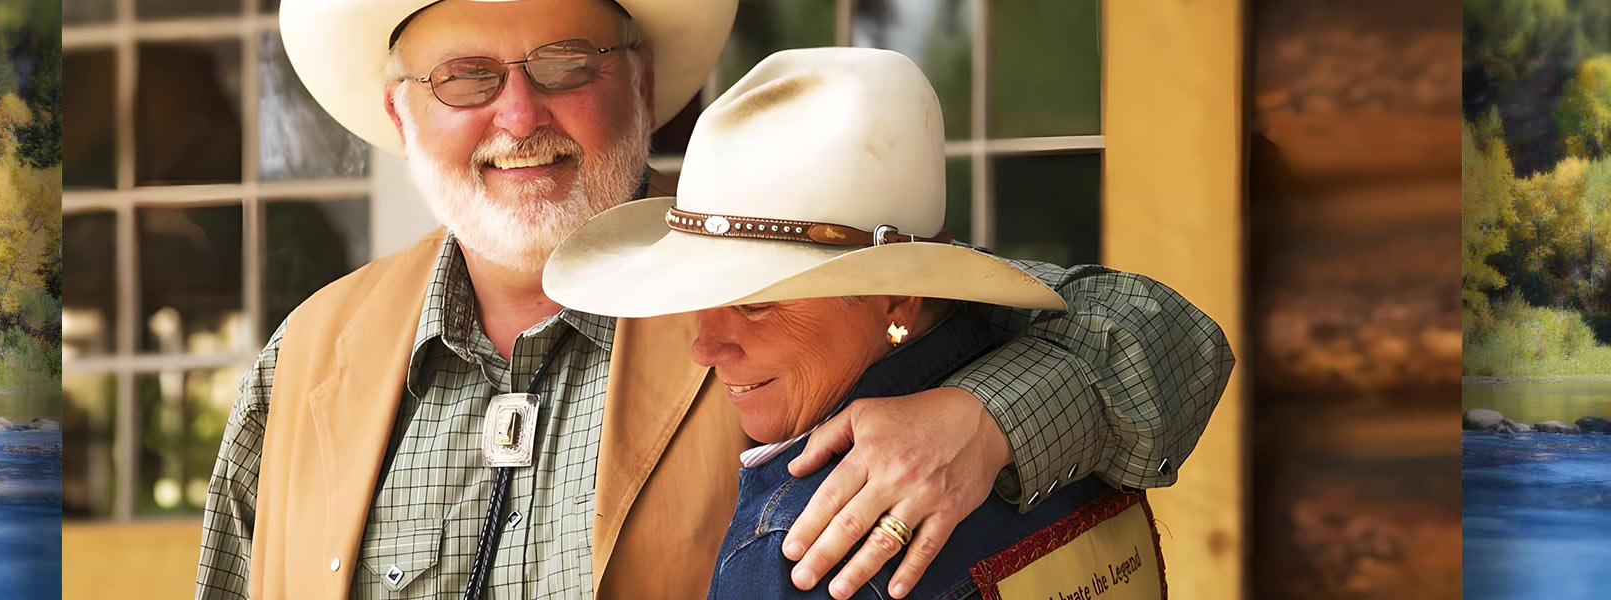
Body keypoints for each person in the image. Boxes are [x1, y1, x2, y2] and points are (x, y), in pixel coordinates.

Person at [195, 1, 1234, 599]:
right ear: (400, 113)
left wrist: (987, 418)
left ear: (643, 81)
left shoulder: (779, 264)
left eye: (565, 63)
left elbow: (1167, 336)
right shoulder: (308, 357)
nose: (519, 114)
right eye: (465, 80)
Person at [543, 47, 1192, 600]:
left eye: (756, 300)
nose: (704, 347)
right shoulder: (1074, 395)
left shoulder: (802, 546)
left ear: (898, 296)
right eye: (701, 291)